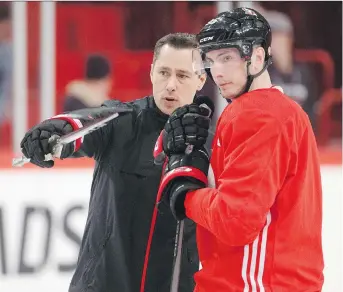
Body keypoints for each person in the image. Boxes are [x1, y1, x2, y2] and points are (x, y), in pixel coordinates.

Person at [19, 33, 211, 292]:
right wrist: (52, 133)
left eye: (183, 75)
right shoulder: (120, 121)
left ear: (200, 79)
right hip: (102, 283)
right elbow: (84, 125)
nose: (171, 85)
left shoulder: (211, 144)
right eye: (164, 72)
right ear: (152, 73)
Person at [157, 8, 324, 291]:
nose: (217, 72)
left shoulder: (258, 114)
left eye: (227, 58)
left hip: (252, 284)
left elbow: (236, 221)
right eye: (211, 60)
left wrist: (185, 195)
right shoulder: (286, 111)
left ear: (258, 57)